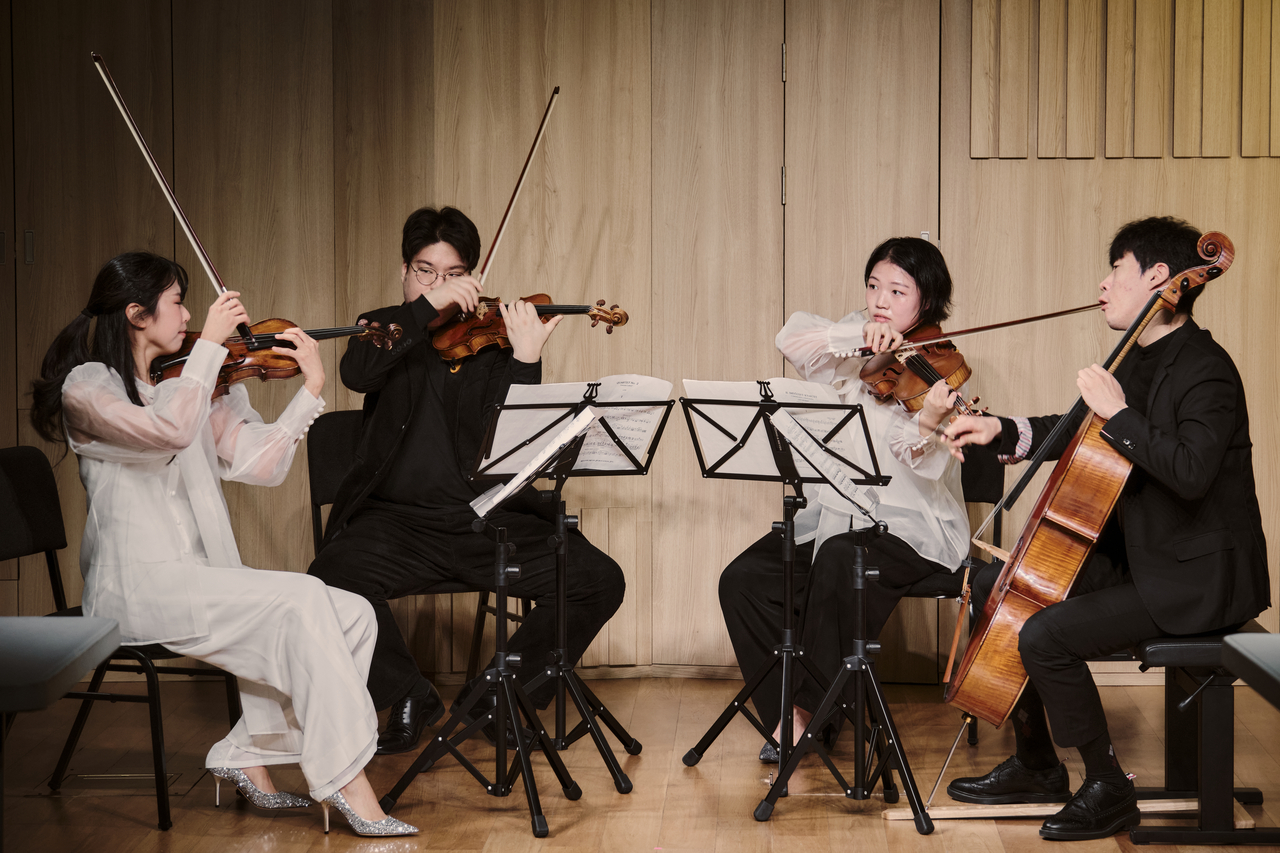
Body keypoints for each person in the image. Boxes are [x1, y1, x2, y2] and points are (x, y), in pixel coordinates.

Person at [30, 252, 415, 838]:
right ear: (136, 314)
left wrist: (308, 391)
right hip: (135, 588)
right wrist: (207, 356)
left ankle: (245, 749)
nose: (189, 315)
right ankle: (345, 778)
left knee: (355, 615)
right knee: (304, 599)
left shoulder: (187, 380)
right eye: (177, 302)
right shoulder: (91, 387)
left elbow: (260, 466)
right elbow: (168, 432)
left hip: (196, 576)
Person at [941, 217, 1270, 841]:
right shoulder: (1138, 356)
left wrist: (1117, 411)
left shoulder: (1207, 368)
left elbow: (1191, 472)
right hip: (1144, 556)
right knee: (997, 585)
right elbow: (1074, 430)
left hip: (1195, 576)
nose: (1102, 284)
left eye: (1114, 269)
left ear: (1157, 278)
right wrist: (999, 430)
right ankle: (1039, 765)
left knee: (1044, 634)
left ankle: (1107, 785)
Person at [308, 206, 626, 754]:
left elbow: (516, 451)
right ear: (404, 273)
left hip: (483, 524)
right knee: (329, 576)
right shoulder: (384, 328)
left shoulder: (495, 340)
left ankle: (500, 700)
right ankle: (410, 694)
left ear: (474, 278)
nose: (436, 284)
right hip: (397, 525)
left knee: (597, 578)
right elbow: (356, 374)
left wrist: (526, 359)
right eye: (424, 270)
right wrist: (422, 310)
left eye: (452, 273)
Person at [719, 237, 971, 762]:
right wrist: (860, 335)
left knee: (838, 559)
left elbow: (926, 465)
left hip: (910, 526)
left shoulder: (937, 369)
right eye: (875, 285)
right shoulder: (850, 341)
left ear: (925, 302)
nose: (881, 298)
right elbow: (792, 338)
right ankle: (791, 713)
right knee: (743, 579)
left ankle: (811, 713)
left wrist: (926, 422)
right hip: (835, 516)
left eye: (898, 291)